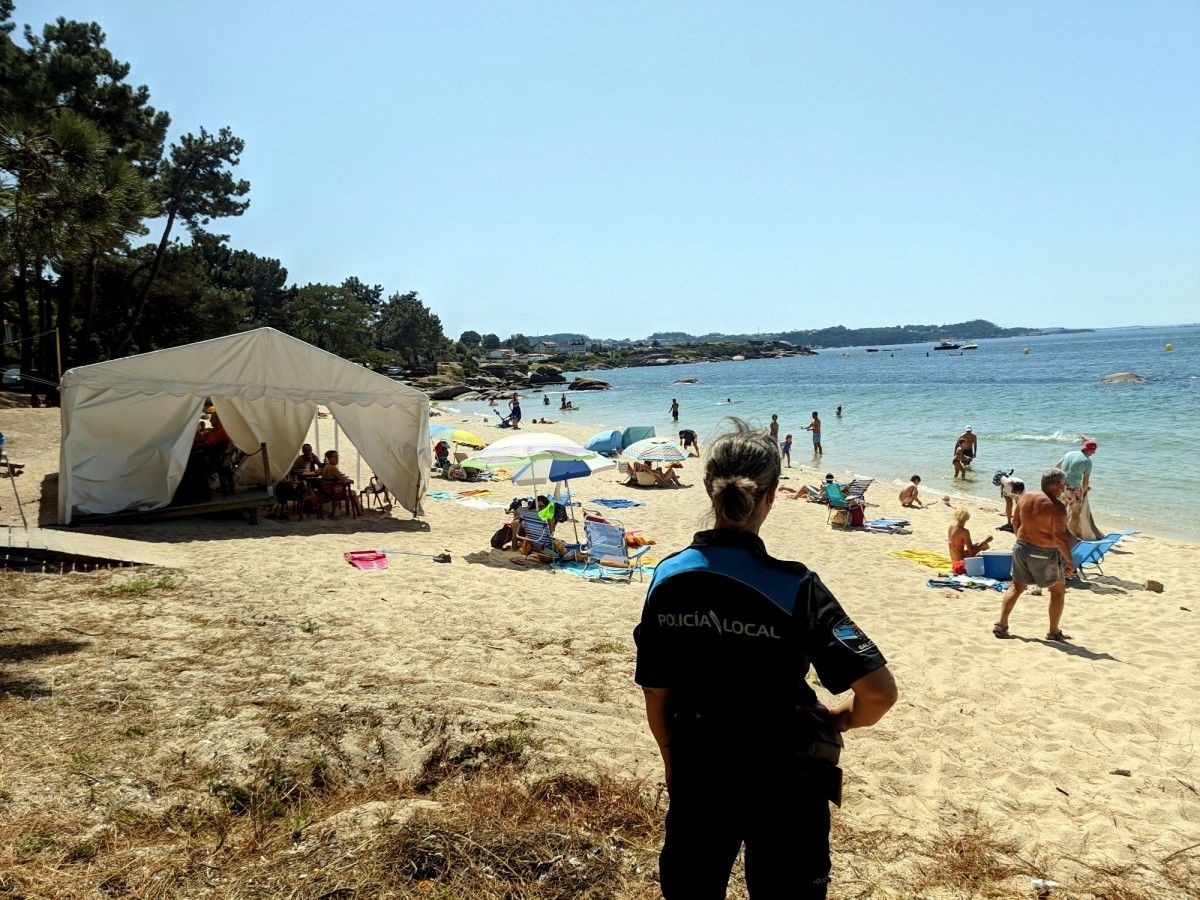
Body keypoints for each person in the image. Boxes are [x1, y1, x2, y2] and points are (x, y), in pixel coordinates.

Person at [634, 419, 897, 898]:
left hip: (699, 763)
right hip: (786, 778)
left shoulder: (668, 576)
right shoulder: (795, 586)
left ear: (710, 491)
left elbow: (656, 688)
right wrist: (843, 718)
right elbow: (879, 693)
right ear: (770, 497)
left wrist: (671, 757)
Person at [993, 468, 1076, 642]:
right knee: (1058, 591)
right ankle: (1053, 631)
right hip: (1045, 553)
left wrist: (1022, 541)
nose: (1064, 488)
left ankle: (1001, 624)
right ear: (1058, 485)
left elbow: (1015, 522)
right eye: (1063, 485)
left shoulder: (1026, 497)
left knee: (1016, 587)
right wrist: (1069, 561)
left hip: (1022, 547)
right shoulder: (1057, 508)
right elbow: (1060, 539)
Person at [1057, 439, 1097, 537]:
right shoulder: (1087, 462)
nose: (1094, 452)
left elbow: (1056, 467)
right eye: (1093, 450)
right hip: (1073, 490)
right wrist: (1085, 489)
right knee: (1075, 513)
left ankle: (1058, 531)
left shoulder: (1069, 453)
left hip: (1061, 488)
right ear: (1089, 450)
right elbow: (1085, 481)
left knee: (1061, 510)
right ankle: (1072, 536)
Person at [321, 450, 362, 514]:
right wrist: (351, 480)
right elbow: (343, 480)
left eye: (337, 456)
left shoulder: (326, 466)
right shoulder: (333, 468)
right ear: (329, 458)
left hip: (327, 490)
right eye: (334, 457)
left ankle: (333, 512)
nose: (337, 458)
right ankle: (358, 512)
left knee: (335, 486)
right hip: (334, 492)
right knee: (353, 493)